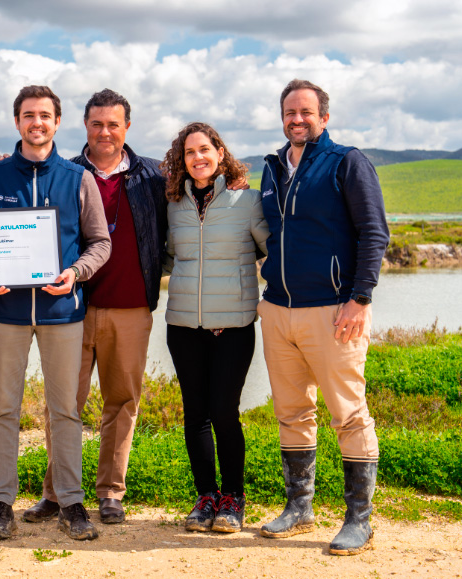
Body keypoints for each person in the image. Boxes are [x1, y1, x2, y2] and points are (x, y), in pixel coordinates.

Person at [0, 85, 111, 541]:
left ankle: (71, 501)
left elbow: (100, 243)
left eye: (45, 115)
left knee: (65, 410)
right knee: (3, 409)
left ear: (57, 122)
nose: (37, 122)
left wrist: (75, 272)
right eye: (29, 115)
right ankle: (0, 504)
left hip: (61, 312)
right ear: (17, 122)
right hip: (5, 313)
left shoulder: (77, 177)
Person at [21, 89, 167, 526]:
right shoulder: (61, 174)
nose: (105, 132)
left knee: (122, 402)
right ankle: (57, 492)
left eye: (114, 124)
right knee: (64, 403)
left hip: (131, 308)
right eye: (97, 123)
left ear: (127, 128)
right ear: (84, 126)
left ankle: (110, 493)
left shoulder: (155, 178)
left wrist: (232, 177)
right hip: (69, 308)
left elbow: (197, 196)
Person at [257, 79, 389, 555]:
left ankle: (360, 519)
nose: (297, 119)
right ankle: (300, 507)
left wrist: (360, 298)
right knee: (291, 412)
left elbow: (375, 232)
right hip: (277, 310)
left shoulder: (346, 163)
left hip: (335, 312)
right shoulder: (271, 169)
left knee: (349, 414)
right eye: (289, 112)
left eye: (306, 112)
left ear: (324, 118)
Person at [162, 122, 269, 534]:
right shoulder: (173, 205)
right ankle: (206, 495)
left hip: (233, 325)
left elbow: (271, 250)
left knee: (225, 412)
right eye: (189, 152)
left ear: (220, 153)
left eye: (205, 149)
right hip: (184, 324)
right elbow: (167, 258)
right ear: (181, 160)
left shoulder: (247, 201)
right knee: (196, 415)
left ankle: (233, 498)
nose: (198, 158)